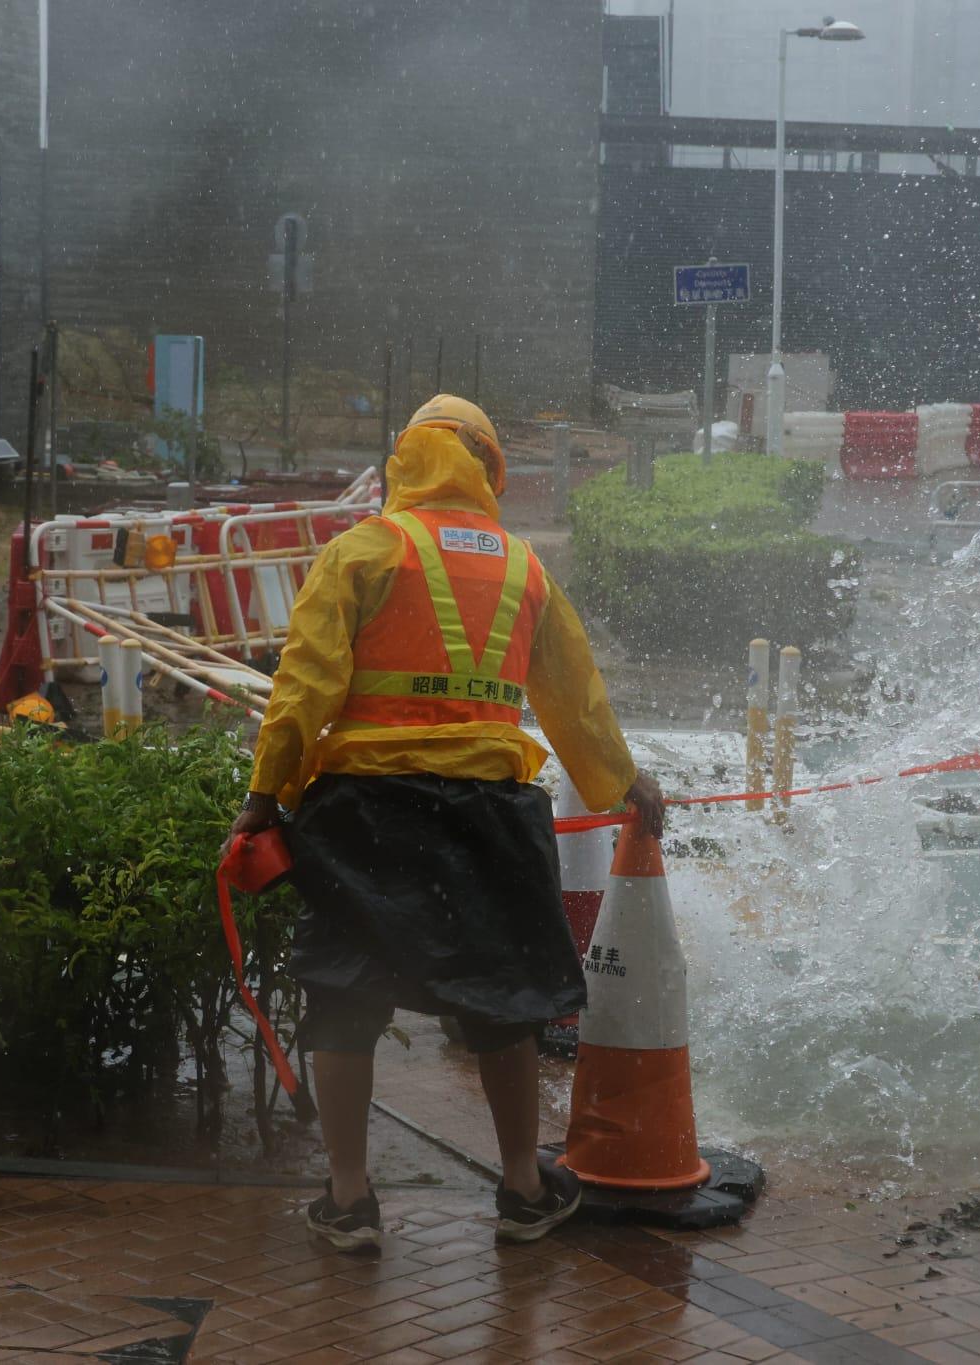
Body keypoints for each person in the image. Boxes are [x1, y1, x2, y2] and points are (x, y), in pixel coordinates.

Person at [226, 394, 664, 1248]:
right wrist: (622, 782)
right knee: (507, 996)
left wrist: (264, 794)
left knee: (346, 989)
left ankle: (350, 1200)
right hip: (491, 811)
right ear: (488, 469)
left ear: (406, 461)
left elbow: (304, 683)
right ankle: (524, 1186)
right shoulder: (521, 567)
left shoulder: (364, 549)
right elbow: (572, 696)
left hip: (365, 808)